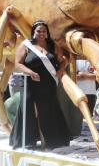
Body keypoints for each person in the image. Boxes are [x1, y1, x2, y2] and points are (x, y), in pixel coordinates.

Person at [9, 20, 71, 150]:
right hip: (32, 83)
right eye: (38, 31)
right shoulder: (25, 45)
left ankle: (48, 141)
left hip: (48, 84)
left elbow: (63, 60)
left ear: (47, 32)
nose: (41, 33)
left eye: (44, 31)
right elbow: (18, 63)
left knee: (48, 111)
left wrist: (60, 69)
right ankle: (28, 141)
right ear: (33, 32)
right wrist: (30, 72)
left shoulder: (52, 45)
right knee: (31, 111)